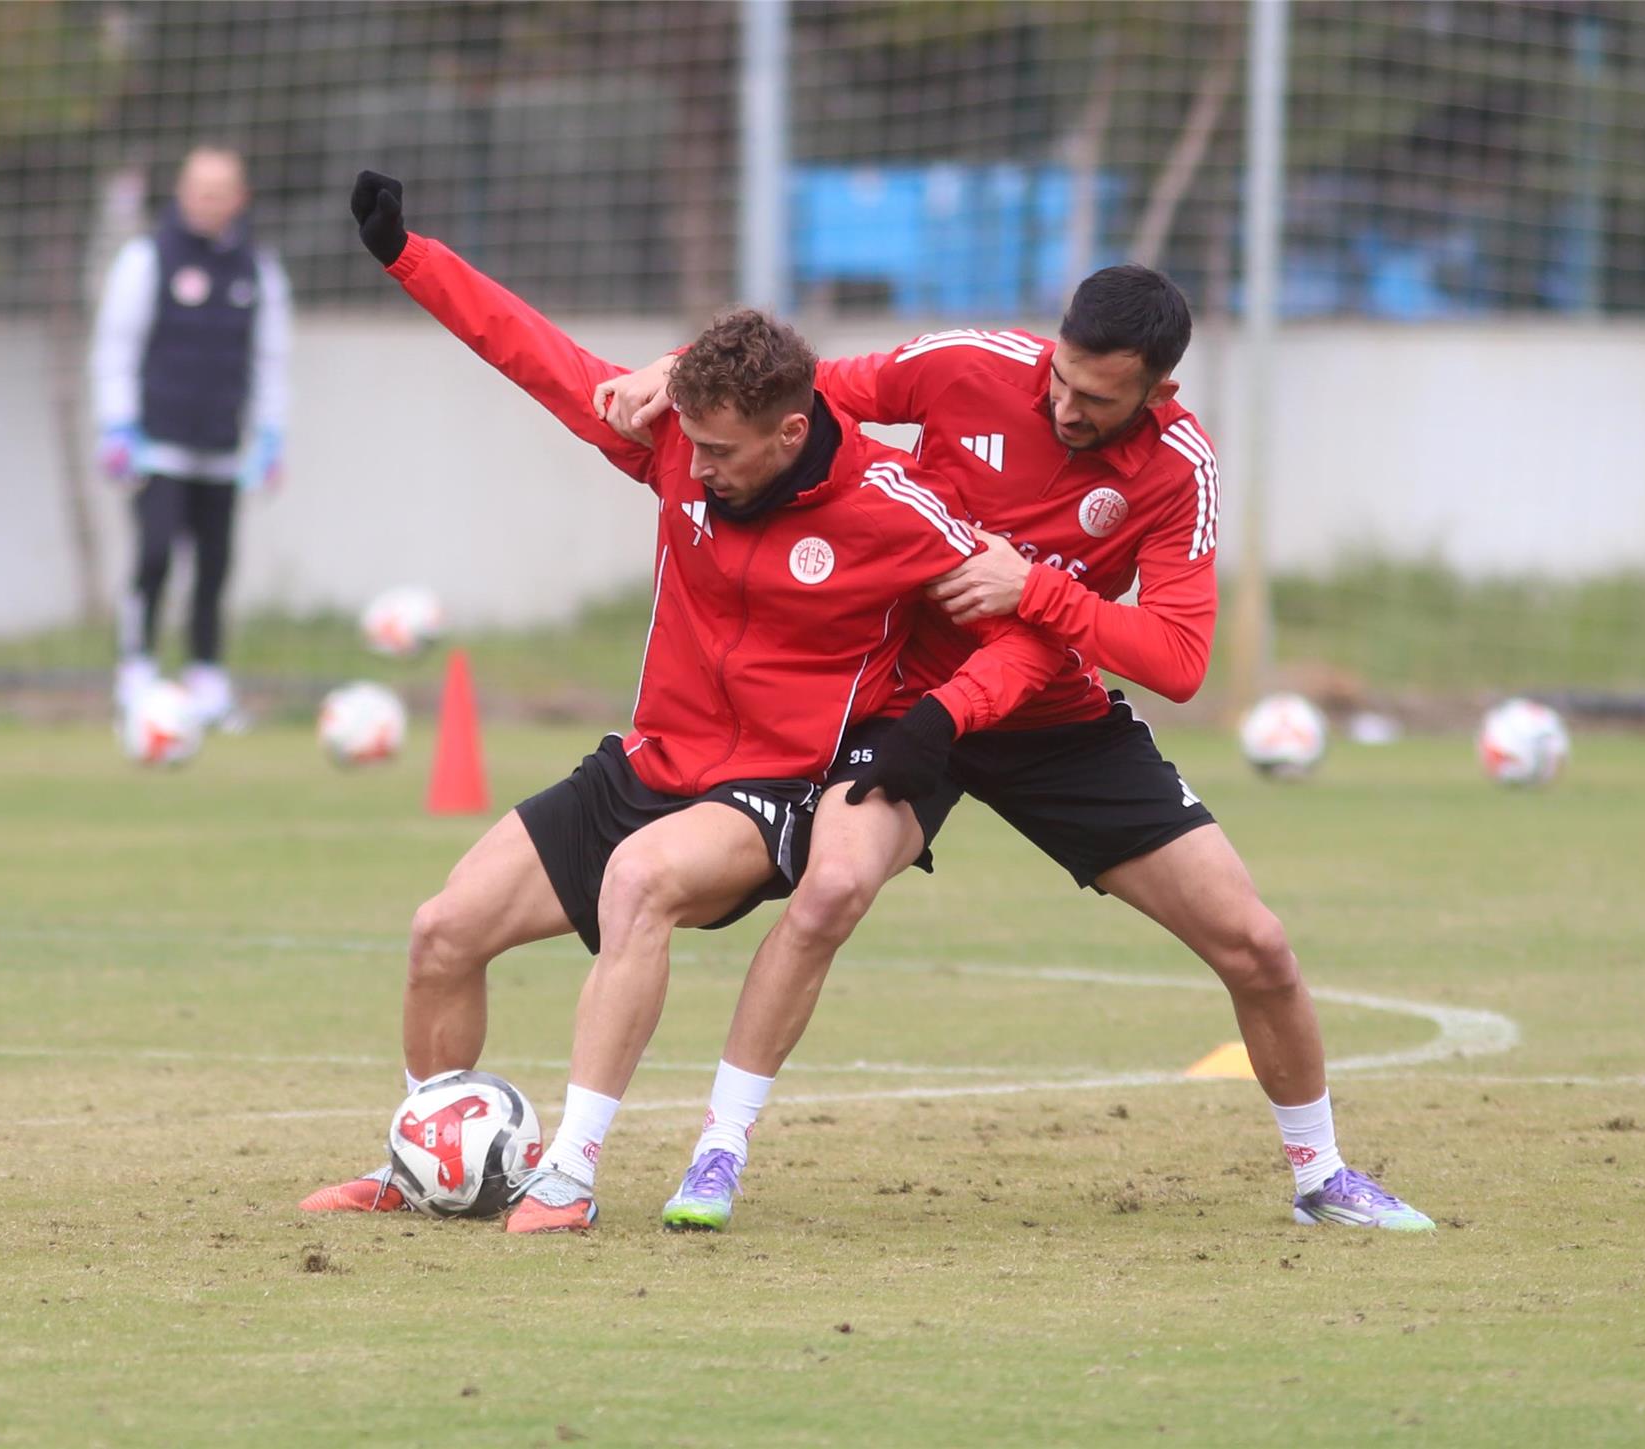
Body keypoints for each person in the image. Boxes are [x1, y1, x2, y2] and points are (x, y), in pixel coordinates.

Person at [299, 172, 1074, 1234]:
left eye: (719, 451)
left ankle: (569, 1173)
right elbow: (534, 355)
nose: (694, 467)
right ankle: (423, 1160)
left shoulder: (898, 511)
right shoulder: (677, 443)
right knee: (443, 931)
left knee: (640, 880)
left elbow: (1029, 631)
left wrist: (942, 722)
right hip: (652, 759)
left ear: (792, 432)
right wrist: (407, 256)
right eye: (689, 444)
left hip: (774, 788)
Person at [599, 270, 1435, 1235]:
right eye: (1061, 380)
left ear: (1159, 390)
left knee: (1259, 946)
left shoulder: (1180, 467)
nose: (1068, 407)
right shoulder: (969, 366)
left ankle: (1322, 1174)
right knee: (829, 892)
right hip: (908, 706)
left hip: (1055, 719)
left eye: (1099, 399)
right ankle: (718, 1152)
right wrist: (677, 367)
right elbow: (803, 389)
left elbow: (1179, 659)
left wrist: (1031, 587)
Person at [90, 144, 291, 728]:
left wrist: (271, 436)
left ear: (240, 198)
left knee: (214, 567)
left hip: (222, 449)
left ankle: (207, 681)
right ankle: (136, 673)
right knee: (154, 556)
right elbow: (116, 347)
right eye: (199, 190)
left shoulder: (258, 270)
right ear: (182, 193)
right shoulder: (146, 259)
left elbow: (271, 360)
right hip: (158, 445)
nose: (208, 201)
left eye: (219, 191)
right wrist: (117, 425)